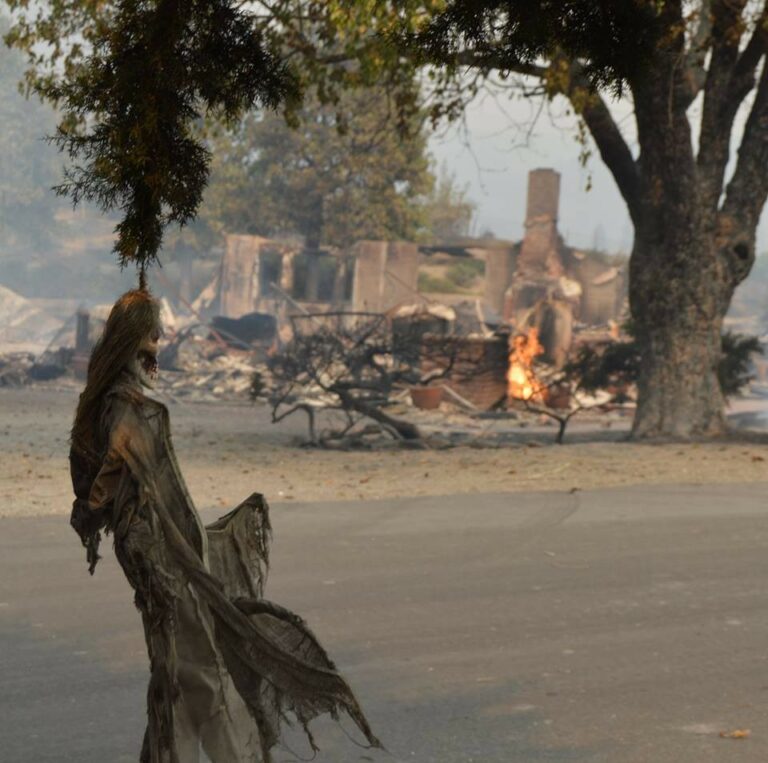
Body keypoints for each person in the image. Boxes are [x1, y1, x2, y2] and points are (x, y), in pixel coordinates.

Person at [69, 287, 378, 762]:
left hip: (148, 548)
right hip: (157, 551)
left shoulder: (108, 397)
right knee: (194, 667)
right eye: (152, 330)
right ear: (135, 336)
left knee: (184, 664)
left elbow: (102, 483)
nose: (160, 337)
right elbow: (113, 472)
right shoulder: (130, 403)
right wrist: (110, 510)